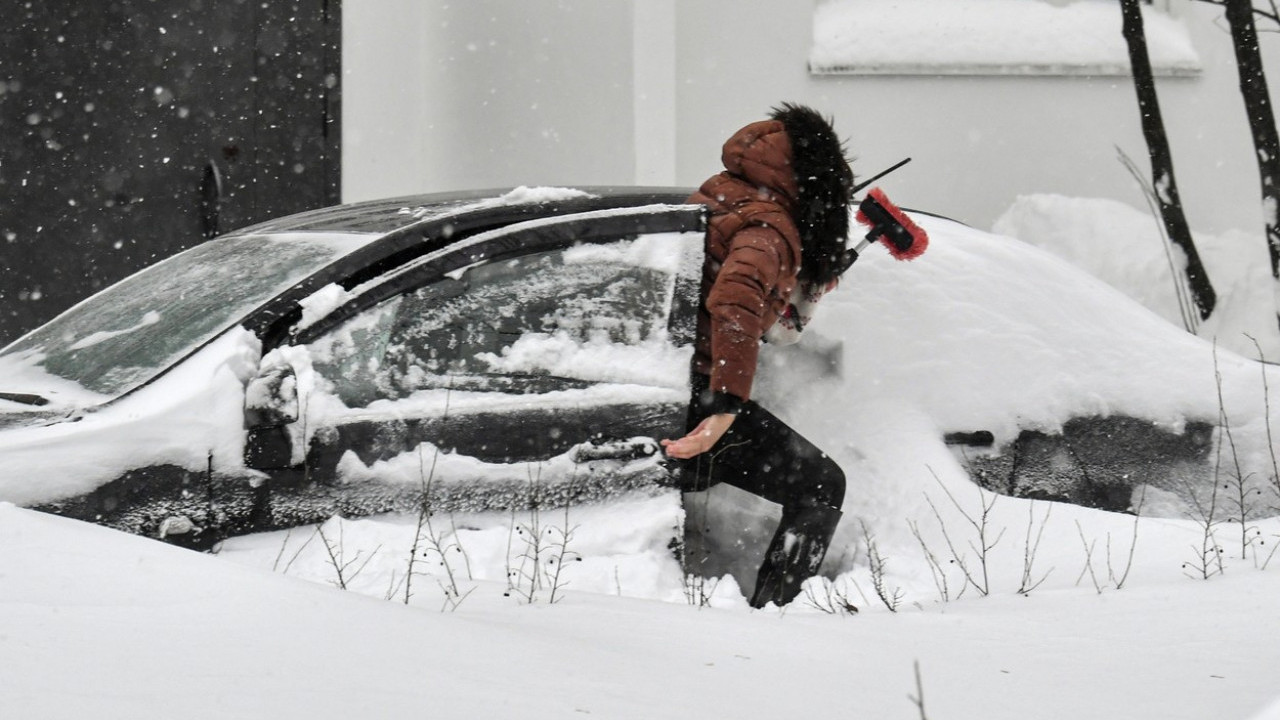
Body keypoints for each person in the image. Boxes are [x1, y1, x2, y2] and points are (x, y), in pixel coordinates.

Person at [661, 103, 853, 608]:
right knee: (822, 484)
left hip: (658, 379)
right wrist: (725, 404)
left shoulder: (723, 191)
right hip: (696, 403)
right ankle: (776, 613)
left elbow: (722, 282)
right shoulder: (772, 229)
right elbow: (735, 299)